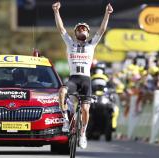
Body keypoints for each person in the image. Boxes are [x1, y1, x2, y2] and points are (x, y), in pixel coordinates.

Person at [52, 1, 113, 149]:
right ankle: (65, 120)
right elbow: (61, 29)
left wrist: (107, 13)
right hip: (74, 78)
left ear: (87, 33)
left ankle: (83, 133)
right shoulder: (70, 44)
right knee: (62, 91)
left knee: (85, 109)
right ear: (76, 33)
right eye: (79, 29)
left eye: (84, 29)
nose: (82, 31)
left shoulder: (91, 44)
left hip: (86, 80)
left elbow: (102, 29)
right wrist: (56, 11)